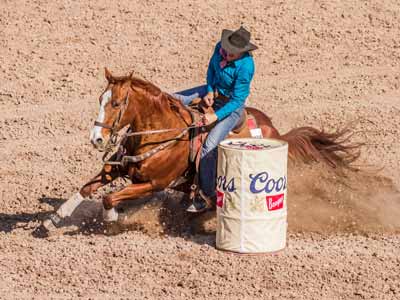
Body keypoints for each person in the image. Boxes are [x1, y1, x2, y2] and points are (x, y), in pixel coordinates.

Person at [174, 26, 258, 212]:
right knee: (172, 99)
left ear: (242, 53)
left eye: (232, 53)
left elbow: (237, 100)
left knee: (209, 146)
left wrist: (215, 116)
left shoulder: (246, 67)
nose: (226, 54)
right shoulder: (220, 48)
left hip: (231, 108)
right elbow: (211, 71)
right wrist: (210, 90)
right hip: (214, 92)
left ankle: (206, 195)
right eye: (226, 50)